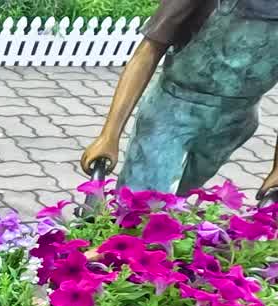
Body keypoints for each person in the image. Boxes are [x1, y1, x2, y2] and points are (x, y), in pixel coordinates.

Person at [81, 0, 278, 201]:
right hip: (173, 111)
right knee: (143, 201)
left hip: (235, 122)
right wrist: (109, 136)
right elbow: (148, 51)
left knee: (178, 201)